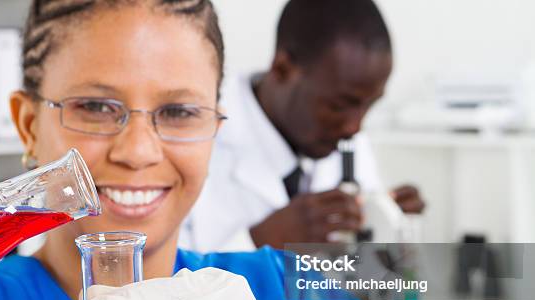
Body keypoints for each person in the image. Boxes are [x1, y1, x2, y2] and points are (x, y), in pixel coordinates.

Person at [0, 0, 428, 300]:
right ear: (29, 124)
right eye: (96, 107)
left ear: (215, 126)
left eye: (181, 111)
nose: (139, 151)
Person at [180, 0, 426, 253]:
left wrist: (390, 227)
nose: (355, 127)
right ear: (283, 69)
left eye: (368, 106)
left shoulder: (342, 136)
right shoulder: (193, 131)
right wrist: (259, 242)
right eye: (339, 105)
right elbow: (163, 279)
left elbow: (369, 273)